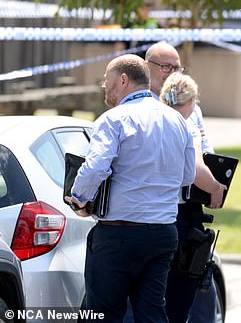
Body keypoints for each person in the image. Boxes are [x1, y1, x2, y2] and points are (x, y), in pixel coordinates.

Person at [66, 54, 196, 323]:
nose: (104, 85)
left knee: (103, 315)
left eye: (107, 79)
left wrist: (78, 198)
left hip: (119, 235)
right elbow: (187, 176)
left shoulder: (113, 119)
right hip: (162, 233)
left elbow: (96, 167)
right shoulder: (178, 121)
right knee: (151, 313)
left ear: (123, 79)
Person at [143, 40, 220, 322]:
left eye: (176, 66)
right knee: (165, 300)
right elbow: (193, 169)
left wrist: (214, 178)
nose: (171, 72)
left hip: (189, 209)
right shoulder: (143, 107)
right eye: (165, 66)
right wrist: (215, 187)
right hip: (161, 212)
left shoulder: (192, 107)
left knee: (189, 294)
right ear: (147, 66)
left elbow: (205, 151)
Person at [159, 73, 226, 323]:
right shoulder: (186, 126)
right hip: (179, 218)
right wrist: (216, 188)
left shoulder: (147, 122)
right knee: (178, 304)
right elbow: (196, 170)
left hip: (146, 217)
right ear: (190, 103)